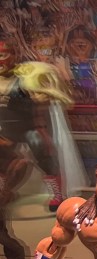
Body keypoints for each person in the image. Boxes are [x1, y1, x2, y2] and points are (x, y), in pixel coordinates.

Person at [0, 55, 75, 212]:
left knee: (46, 159)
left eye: (4, 56)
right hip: (7, 129)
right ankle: (4, 191)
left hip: (29, 127)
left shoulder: (28, 75)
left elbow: (48, 97)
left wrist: (40, 92)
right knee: (4, 161)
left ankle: (57, 195)